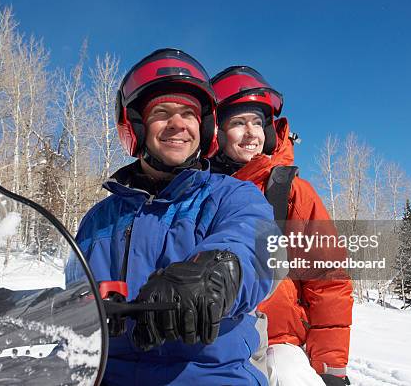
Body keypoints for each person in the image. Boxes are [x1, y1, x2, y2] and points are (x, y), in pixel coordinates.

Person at [66, 49, 276, 385]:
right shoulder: (100, 219)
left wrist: (217, 271)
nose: (177, 124)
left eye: (189, 114)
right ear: (136, 126)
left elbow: (256, 245)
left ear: (203, 127)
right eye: (162, 113)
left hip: (209, 375)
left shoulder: (231, 195)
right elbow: (73, 298)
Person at [210, 66, 353, 386]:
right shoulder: (198, 193)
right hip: (211, 343)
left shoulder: (290, 192)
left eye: (258, 122)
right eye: (237, 123)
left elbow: (327, 279)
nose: (251, 133)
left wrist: (330, 367)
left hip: (278, 342)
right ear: (216, 132)